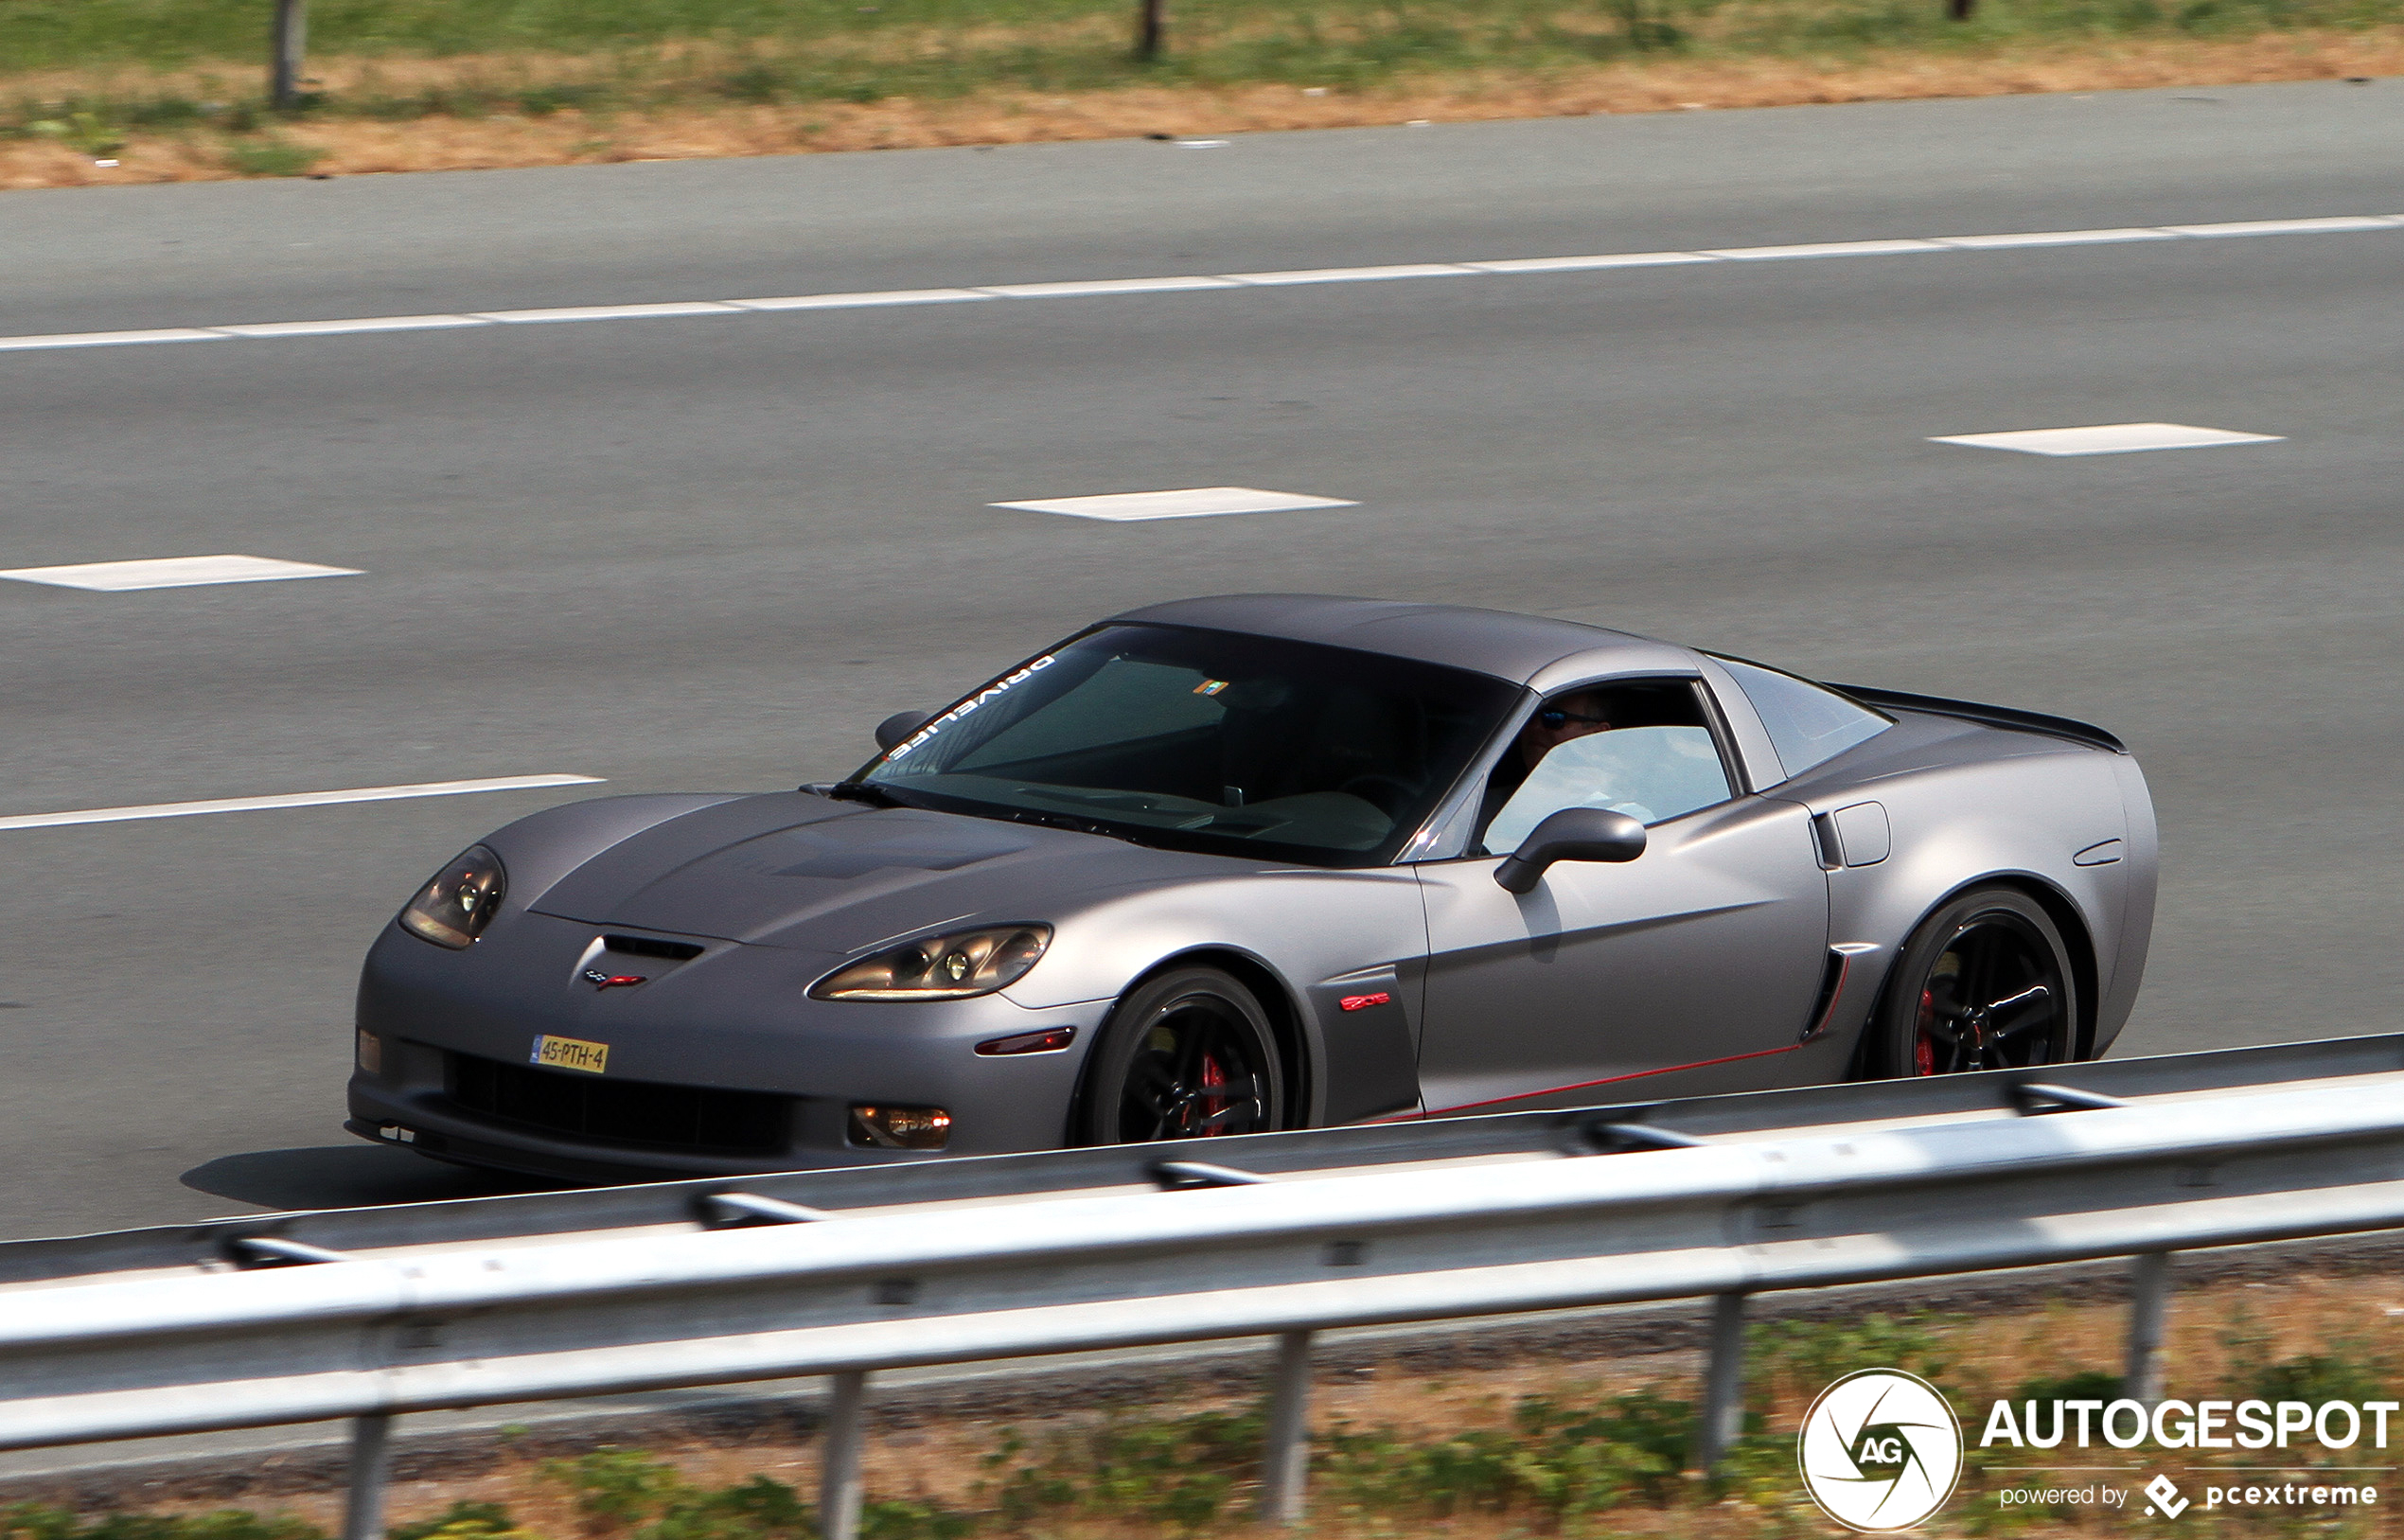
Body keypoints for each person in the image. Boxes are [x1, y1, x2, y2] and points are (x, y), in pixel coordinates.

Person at [1477, 690, 1615, 845]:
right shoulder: (1476, 806)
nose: (1535, 727)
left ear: (1597, 734)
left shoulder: (1620, 819)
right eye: (1529, 716)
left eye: (1553, 718)